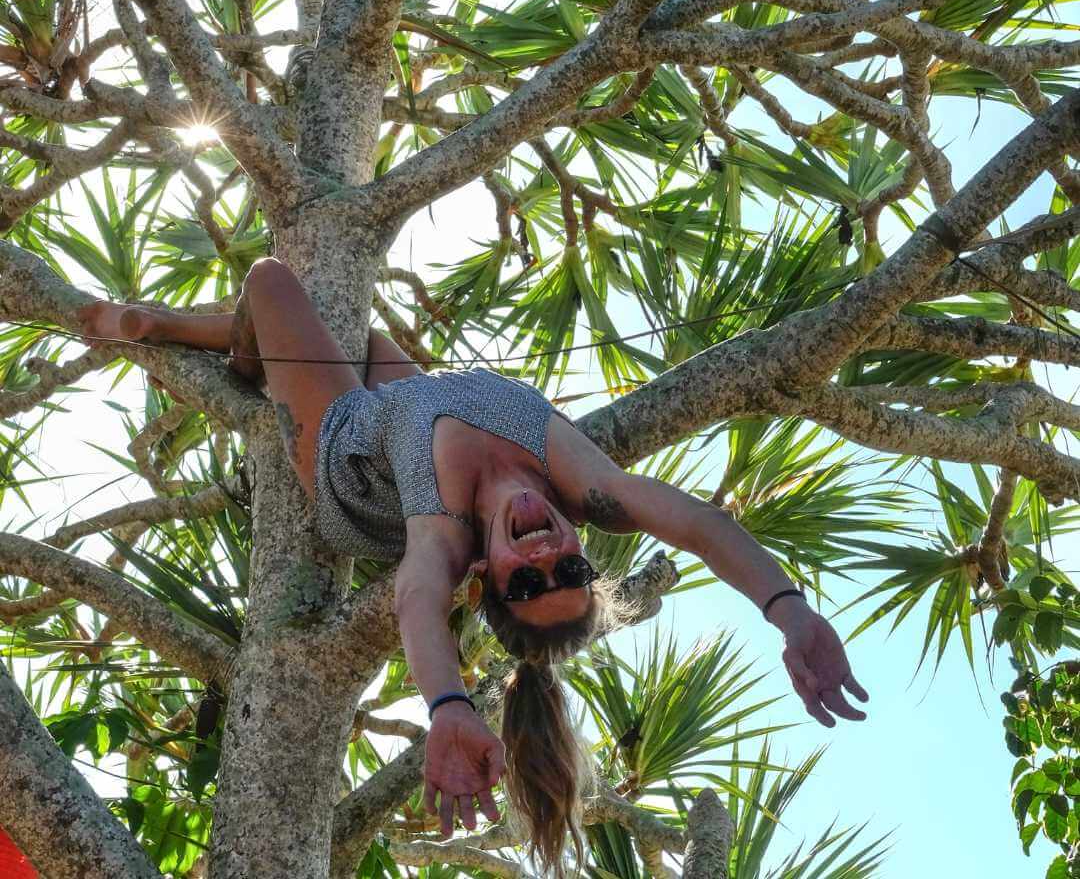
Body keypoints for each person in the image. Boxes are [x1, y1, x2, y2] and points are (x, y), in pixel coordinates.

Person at [77, 257, 868, 877]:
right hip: (414, 398)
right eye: (567, 573)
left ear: (484, 574)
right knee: (358, 337)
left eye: (525, 584)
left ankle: (214, 339)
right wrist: (790, 613)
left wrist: (449, 706)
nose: (545, 557)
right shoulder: (588, 484)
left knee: (274, 283)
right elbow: (698, 524)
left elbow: (417, 600)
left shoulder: (444, 532)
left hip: (349, 452)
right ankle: (237, 342)